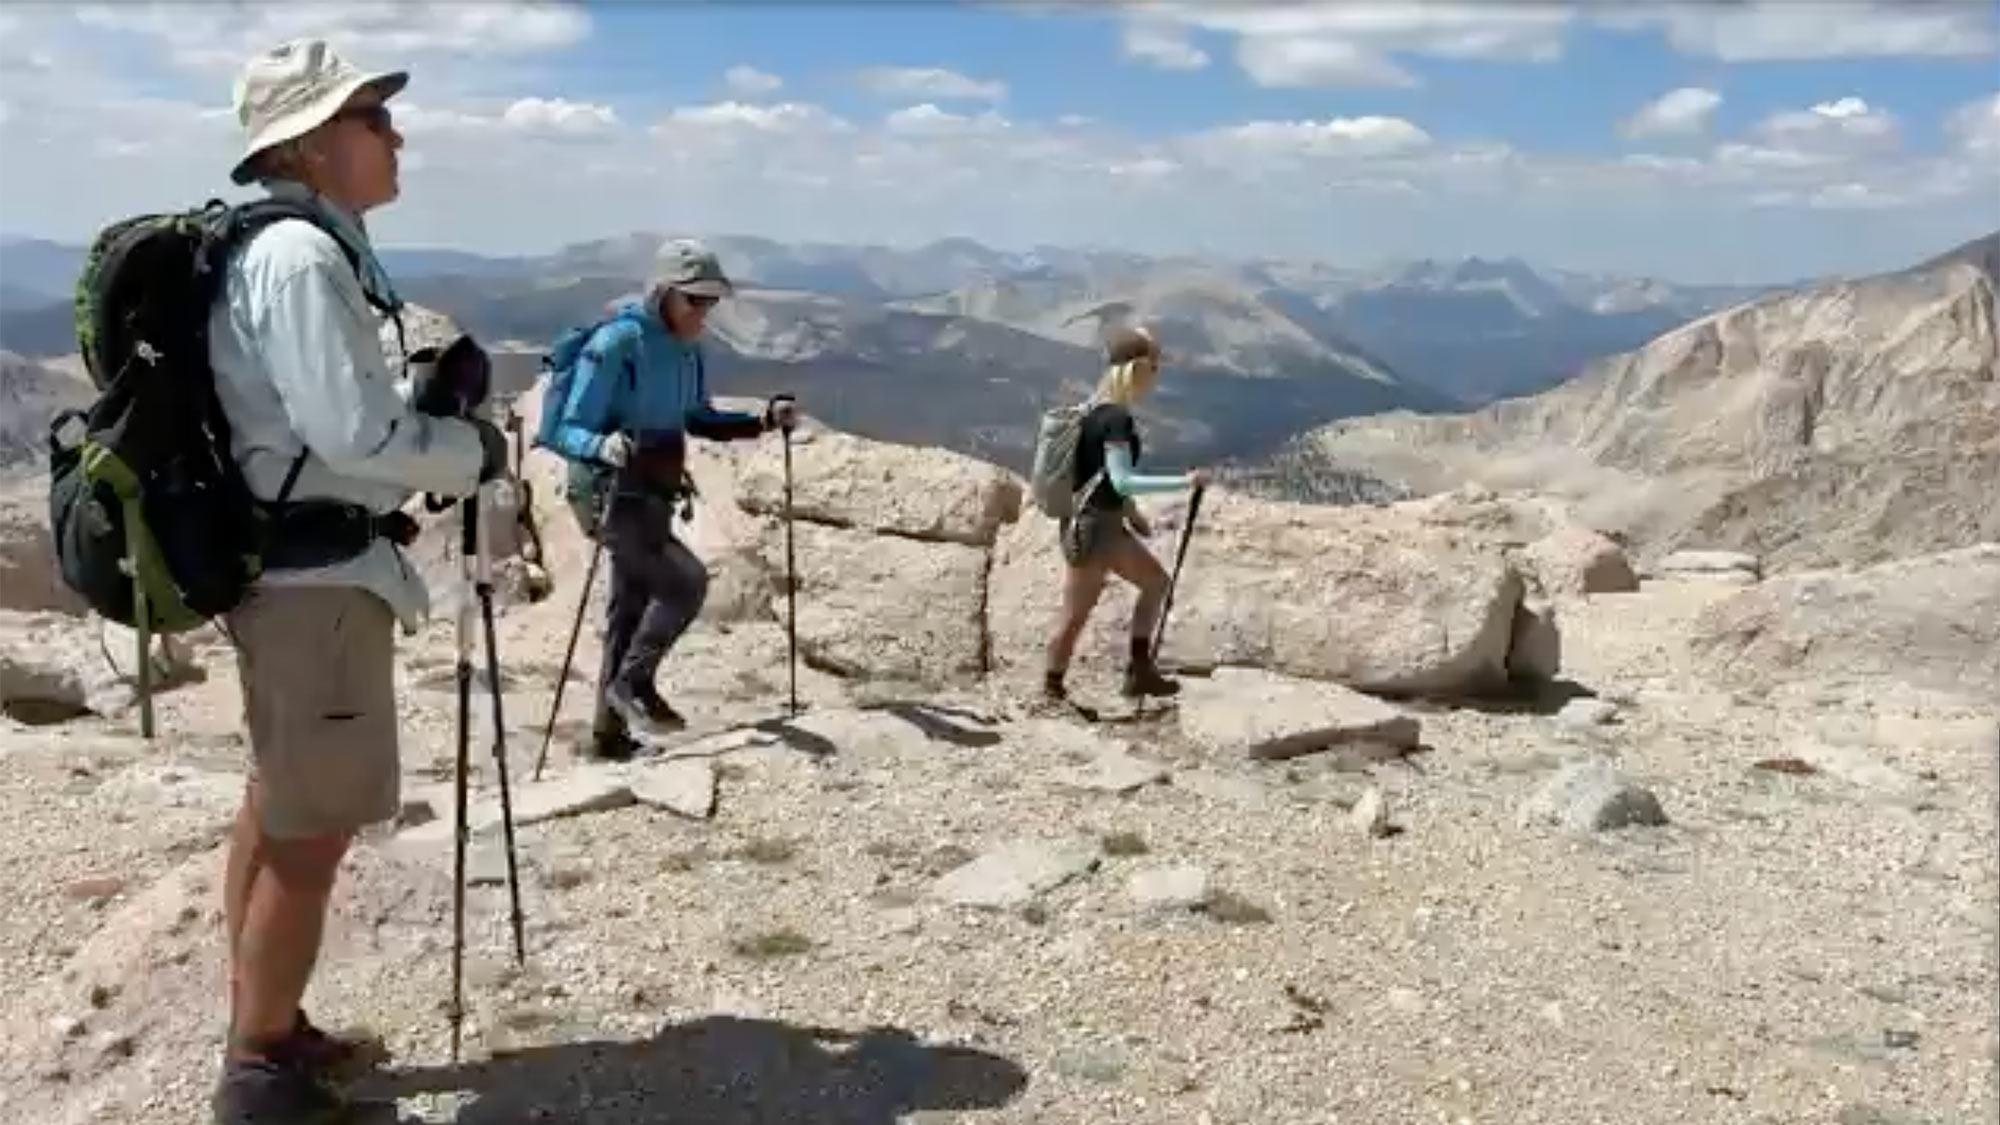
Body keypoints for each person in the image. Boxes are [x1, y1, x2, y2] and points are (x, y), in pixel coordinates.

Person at [205, 38, 508, 1124]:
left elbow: (325, 424)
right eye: (372, 118)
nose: (394, 135)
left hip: (291, 566)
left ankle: (265, 1025)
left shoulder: (290, 247)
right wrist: (467, 450)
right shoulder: (298, 258)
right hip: (315, 579)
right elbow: (355, 429)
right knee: (310, 831)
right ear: (310, 143)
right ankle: (258, 1078)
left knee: (281, 800)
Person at [542, 239, 798, 759]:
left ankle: (607, 737)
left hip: (653, 491)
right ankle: (632, 685)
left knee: (630, 610)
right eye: (694, 301)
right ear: (665, 293)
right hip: (611, 491)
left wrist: (761, 421)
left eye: (710, 302)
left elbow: (698, 418)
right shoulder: (617, 344)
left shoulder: (687, 352)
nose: (703, 312)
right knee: (685, 582)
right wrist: (599, 445)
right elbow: (565, 428)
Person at [1044, 325, 1208, 705]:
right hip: (1097, 530)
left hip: (1093, 523)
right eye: (1154, 365)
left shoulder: (1092, 411)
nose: (1156, 374)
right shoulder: (1116, 418)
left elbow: (1095, 475)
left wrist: (1130, 514)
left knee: (1153, 584)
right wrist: (1185, 483)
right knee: (1075, 614)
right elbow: (1121, 480)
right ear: (1137, 369)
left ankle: (1137, 673)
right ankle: (1053, 690)